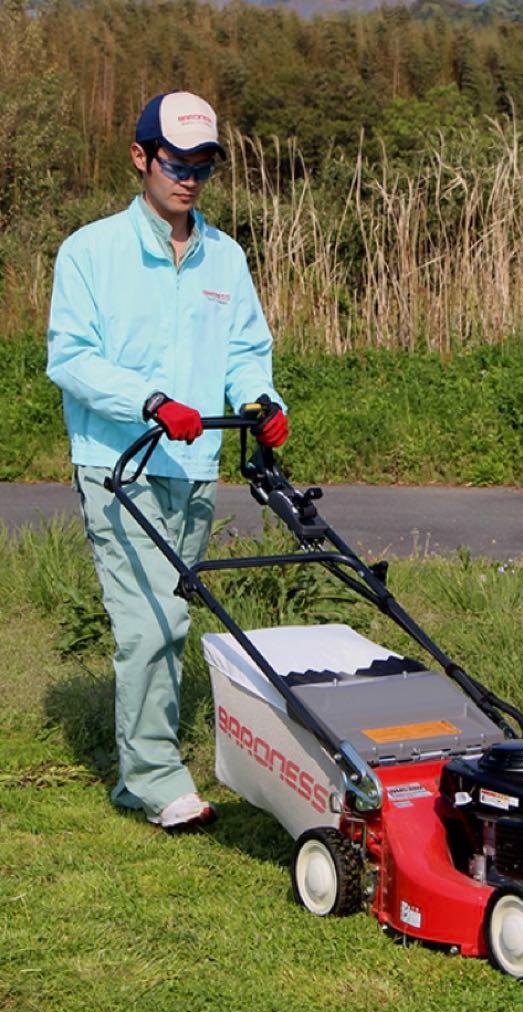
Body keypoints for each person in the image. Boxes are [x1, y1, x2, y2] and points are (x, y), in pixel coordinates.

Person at [47, 91, 288, 831]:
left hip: (196, 463)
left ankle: (137, 772)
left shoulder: (225, 256)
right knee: (147, 623)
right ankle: (154, 777)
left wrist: (261, 400)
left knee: (172, 616)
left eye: (203, 165)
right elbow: (71, 358)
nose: (188, 176)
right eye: (175, 160)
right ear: (141, 156)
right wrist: (149, 402)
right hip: (117, 461)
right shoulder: (92, 251)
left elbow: (246, 347)